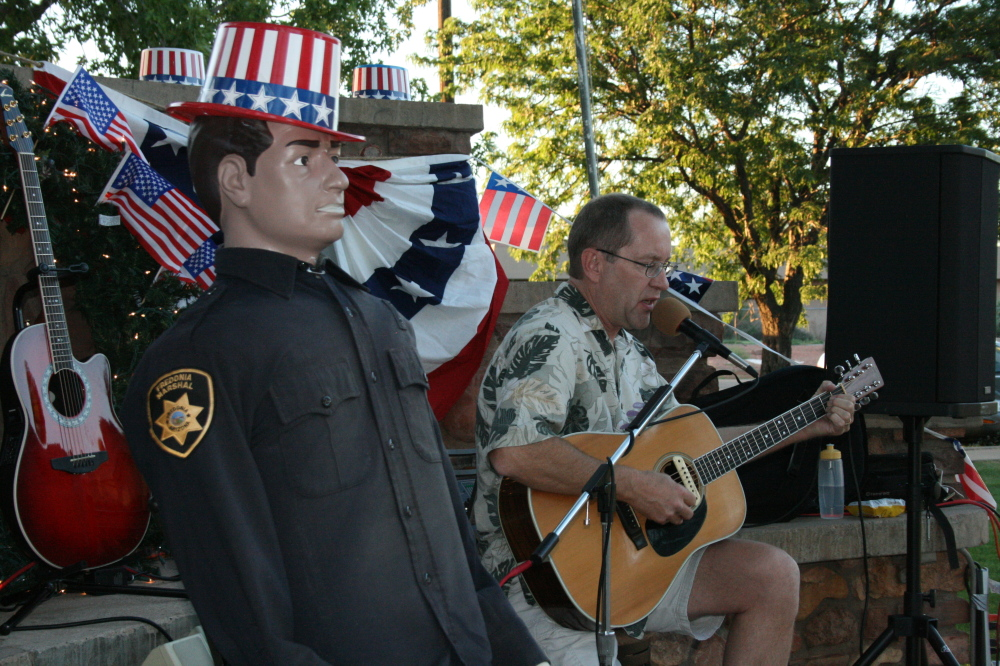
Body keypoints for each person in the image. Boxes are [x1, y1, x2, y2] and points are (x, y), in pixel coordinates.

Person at [121, 21, 547, 666]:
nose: (338, 178)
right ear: (235, 181)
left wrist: (522, 656)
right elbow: (243, 602)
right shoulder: (195, 362)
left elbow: (448, 534)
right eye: (304, 157)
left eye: (332, 155)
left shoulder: (381, 322)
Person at [473, 193, 856, 666]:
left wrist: (805, 425)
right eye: (649, 265)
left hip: (627, 562)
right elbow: (517, 454)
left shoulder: (629, 353)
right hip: (547, 582)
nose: (663, 284)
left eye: (666, 268)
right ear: (595, 263)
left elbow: (693, 448)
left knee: (770, 576)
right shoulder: (551, 334)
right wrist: (635, 485)